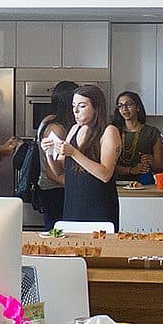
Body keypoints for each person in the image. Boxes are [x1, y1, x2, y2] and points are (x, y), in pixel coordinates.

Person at [42, 85, 121, 230]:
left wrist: (74, 153)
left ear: (96, 108)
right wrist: (49, 153)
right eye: (73, 106)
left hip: (99, 205)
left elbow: (105, 174)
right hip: (73, 203)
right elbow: (58, 170)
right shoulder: (74, 129)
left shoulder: (109, 131)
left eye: (82, 106)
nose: (76, 111)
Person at [35, 80, 78, 230]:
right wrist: (75, 185)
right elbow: (52, 172)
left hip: (54, 188)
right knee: (56, 232)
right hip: (54, 189)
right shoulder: (56, 129)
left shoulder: (50, 120)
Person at [112, 90, 163, 182]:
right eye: (120, 106)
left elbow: (159, 169)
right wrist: (131, 170)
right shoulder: (113, 132)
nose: (124, 109)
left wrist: (151, 162)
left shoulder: (152, 132)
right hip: (118, 184)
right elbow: (108, 166)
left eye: (128, 104)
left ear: (138, 107)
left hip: (144, 184)